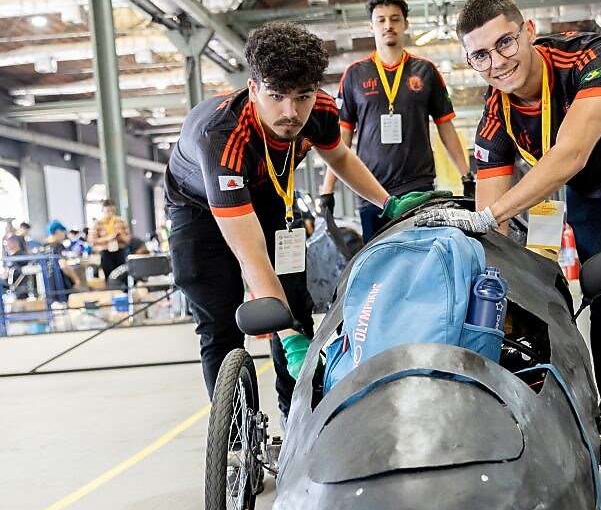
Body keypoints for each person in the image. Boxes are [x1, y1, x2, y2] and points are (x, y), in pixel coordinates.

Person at [415, 0, 601, 462]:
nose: (497, 62)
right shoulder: (495, 116)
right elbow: (495, 225)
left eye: (505, 43)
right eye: (480, 55)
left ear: (528, 30)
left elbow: (570, 154)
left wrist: (489, 215)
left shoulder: (591, 56)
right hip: (593, 190)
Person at [164, 21, 428, 412]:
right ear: (253, 90)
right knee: (223, 323)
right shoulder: (222, 137)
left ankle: (296, 422)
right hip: (198, 207)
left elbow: (339, 156)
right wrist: (285, 334)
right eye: (276, 96)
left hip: (267, 194)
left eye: (302, 96)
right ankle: (238, 445)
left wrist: (386, 202)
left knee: (294, 307)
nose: (291, 113)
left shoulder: (319, 108)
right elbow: (250, 254)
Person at [318, 0, 468, 241]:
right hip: (370, 188)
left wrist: (466, 174)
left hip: (418, 186)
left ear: (406, 24)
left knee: (418, 259)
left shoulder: (426, 71)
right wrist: (327, 191)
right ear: (371, 25)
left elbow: (446, 127)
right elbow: (340, 138)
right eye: (381, 20)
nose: (389, 25)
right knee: (375, 265)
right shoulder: (355, 75)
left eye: (395, 19)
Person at [90, 199, 130, 289]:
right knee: (109, 276)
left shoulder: (121, 221)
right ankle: (112, 292)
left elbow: (128, 239)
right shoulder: (98, 223)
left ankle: (125, 293)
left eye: (112, 211)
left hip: (119, 251)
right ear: (103, 210)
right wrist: (108, 238)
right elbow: (92, 240)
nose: (110, 213)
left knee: (123, 274)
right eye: (107, 211)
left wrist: (120, 237)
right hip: (106, 253)